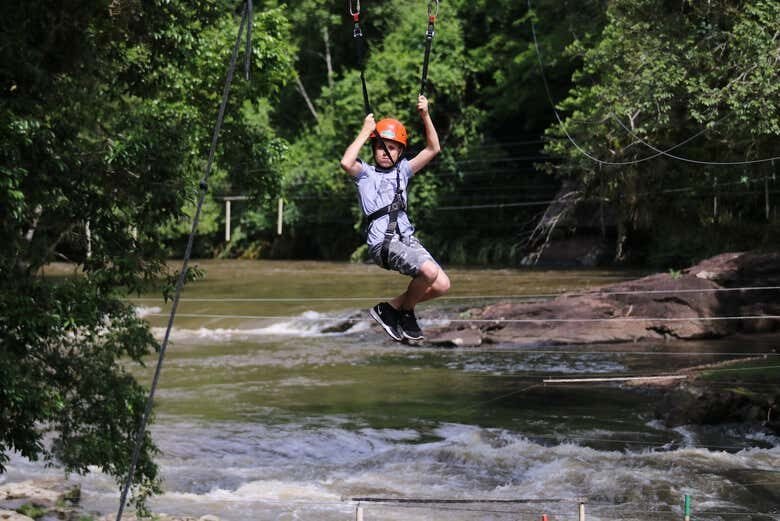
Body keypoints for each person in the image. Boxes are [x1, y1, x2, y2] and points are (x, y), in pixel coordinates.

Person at [340, 95, 450, 342]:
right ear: (373, 148)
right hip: (383, 243)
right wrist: (366, 130)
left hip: (407, 240)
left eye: (391, 147)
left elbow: (433, 148)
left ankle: (390, 309)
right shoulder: (365, 174)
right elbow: (346, 162)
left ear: (400, 151)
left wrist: (425, 115)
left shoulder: (404, 171)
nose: (385, 152)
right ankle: (406, 312)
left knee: (442, 284)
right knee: (429, 271)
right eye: (381, 146)